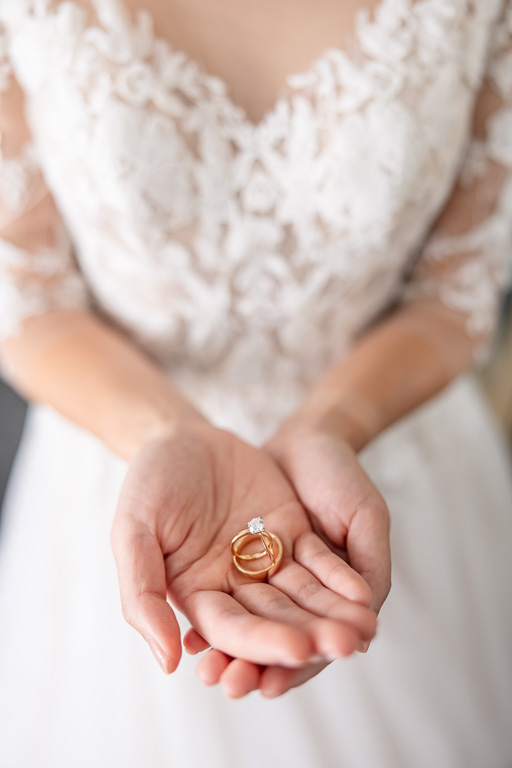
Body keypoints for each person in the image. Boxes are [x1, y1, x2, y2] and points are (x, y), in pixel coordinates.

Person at [0, 0, 511, 765]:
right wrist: (167, 432)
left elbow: (455, 293)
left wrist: (329, 425)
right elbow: (28, 299)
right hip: (122, 467)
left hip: (391, 468)